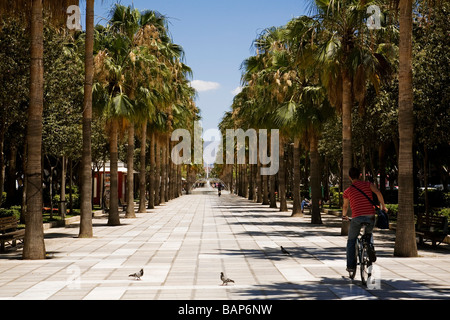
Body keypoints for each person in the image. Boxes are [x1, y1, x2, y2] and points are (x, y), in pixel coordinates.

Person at [342, 167, 387, 273]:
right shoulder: (368, 185)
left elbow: (345, 206)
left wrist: (344, 216)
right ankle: (370, 246)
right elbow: (378, 192)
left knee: (351, 241)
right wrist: (383, 207)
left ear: (349, 177)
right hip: (370, 216)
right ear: (360, 175)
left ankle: (350, 266)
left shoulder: (347, 191)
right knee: (368, 234)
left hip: (357, 217)